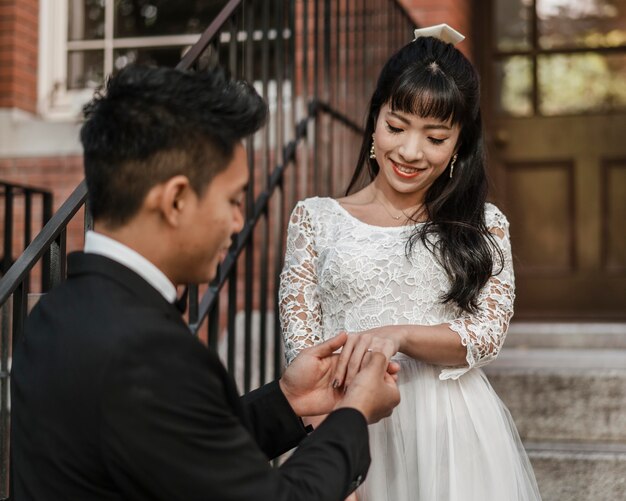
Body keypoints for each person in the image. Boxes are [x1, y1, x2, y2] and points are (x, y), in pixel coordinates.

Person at [10, 65, 401, 501]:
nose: (239, 221)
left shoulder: (53, 312)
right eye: (233, 200)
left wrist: (289, 400)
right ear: (176, 199)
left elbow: (180, 453)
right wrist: (354, 412)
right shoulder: (151, 353)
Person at [280, 25, 542, 501]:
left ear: (460, 142)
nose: (410, 152)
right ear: (375, 119)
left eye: (435, 136)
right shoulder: (315, 219)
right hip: (346, 421)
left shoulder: (483, 224)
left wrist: (398, 335)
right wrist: (325, 448)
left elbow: (486, 336)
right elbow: (302, 352)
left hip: (451, 429)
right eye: (396, 127)